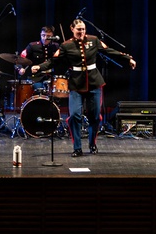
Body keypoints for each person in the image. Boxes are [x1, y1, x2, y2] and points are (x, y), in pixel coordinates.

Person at [31, 17, 136, 157]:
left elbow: (110, 51)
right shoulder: (66, 45)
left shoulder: (94, 40)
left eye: (83, 29)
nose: (81, 32)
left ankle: (92, 144)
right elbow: (52, 61)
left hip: (94, 83)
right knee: (74, 116)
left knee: (95, 117)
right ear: (72, 29)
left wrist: (128, 58)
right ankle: (77, 148)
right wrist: (39, 67)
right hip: (76, 84)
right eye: (79, 29)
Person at [16, 25, 61, 90]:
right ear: (40, 34)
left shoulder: (55, 46)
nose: (45, 38)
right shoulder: (32, 46)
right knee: (40, 91)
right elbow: (20, 59)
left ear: (52, 36)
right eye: (43, 35)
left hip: (51, 77)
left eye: (48, 36)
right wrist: (20, 69)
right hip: (36, 78)